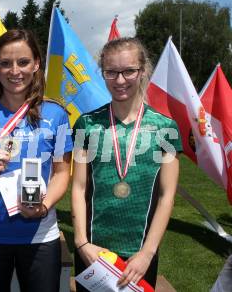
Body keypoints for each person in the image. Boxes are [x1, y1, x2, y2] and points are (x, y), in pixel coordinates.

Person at [0, 29, 73, 292]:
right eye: (6, 63)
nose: (15, 70)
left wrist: (43, 207)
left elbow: (61, 173)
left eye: (23, 62)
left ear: (36, 64)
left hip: (41, 234)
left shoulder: (56, 114)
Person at [71, 37, 182, 289]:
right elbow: (77, 188)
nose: (120, 81)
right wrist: (81, 243)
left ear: (142, 71)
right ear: (103, 72)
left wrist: (147, 253)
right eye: (111, 72)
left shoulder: (165, 128)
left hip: (140, 253)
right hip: (93, 250)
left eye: (129, 71)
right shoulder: (86, 124)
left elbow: (167, 196)